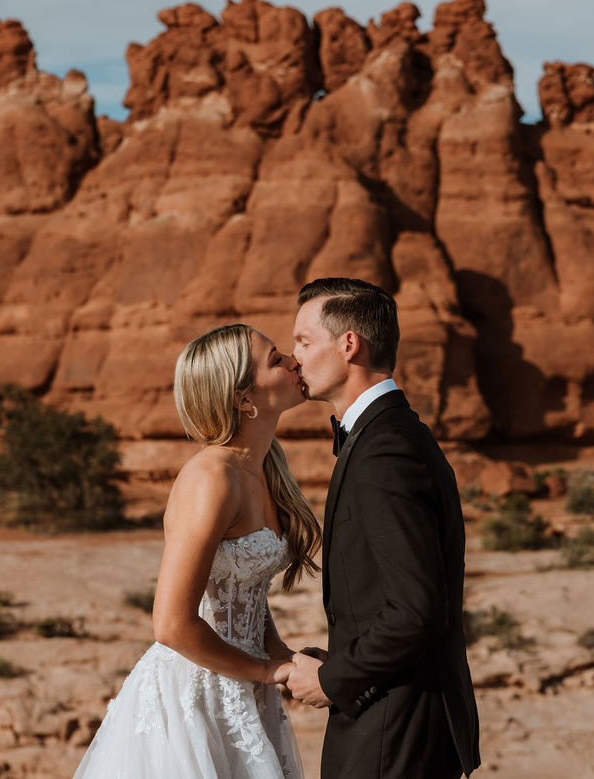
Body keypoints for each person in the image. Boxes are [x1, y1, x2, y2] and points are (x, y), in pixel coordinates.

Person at [73, 323, 322, 779]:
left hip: (246, 686)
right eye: (275, 359)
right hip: (195, 693)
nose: (293, 361)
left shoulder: (267, 467)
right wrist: (266, 671)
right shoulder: (210, 478)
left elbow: (241, 589)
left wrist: (279, 655)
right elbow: (171, 624)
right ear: (241, 397)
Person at [286, 277, 481, 779]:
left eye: (304, 341)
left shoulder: (384, 449)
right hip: (395, 715)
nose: (294, 358)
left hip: (394, 730)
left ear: (348, 344)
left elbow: (417, 609)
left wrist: (334, 678)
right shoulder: (392, 434)